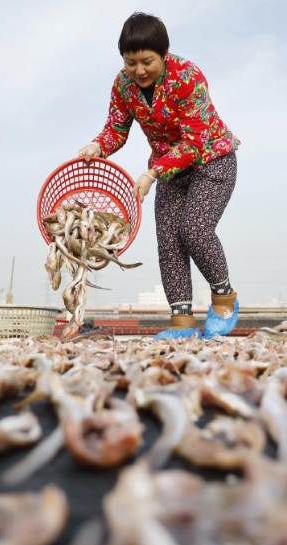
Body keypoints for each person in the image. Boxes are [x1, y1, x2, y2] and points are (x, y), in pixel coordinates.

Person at [78, 12, 240, 340]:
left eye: (147, 61)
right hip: (168, 170)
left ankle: (224, 299)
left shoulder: (188, 77)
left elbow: (193, 142)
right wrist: (98, 145)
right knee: (168, 241)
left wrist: (152, 172)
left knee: (193, 229)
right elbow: (117, 128)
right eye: (130, 62)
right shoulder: (123, 85)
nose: (138, 70)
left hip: (212, 160)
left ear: (164, 55)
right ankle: (182, 325)